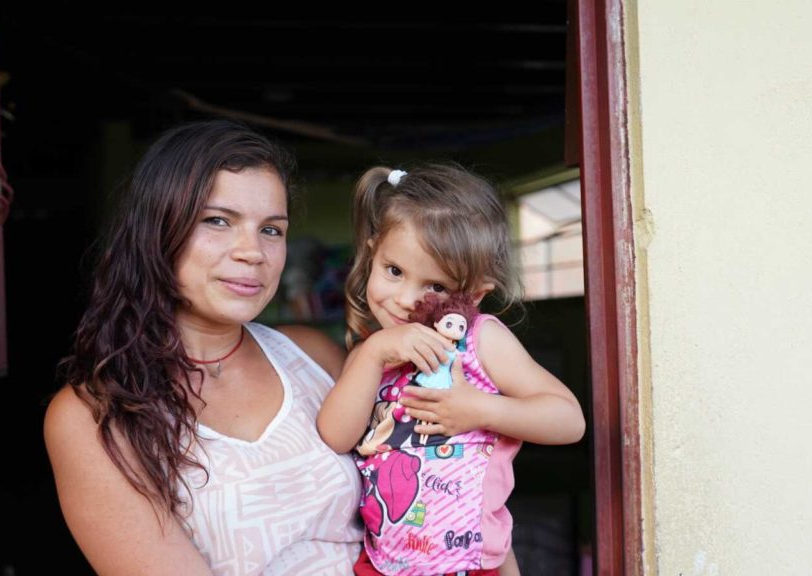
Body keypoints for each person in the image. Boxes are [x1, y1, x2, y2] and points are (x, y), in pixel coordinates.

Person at [44, 120, 362, 575]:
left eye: (271, 230)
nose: (252, 251)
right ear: (158, 231)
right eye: (217, 221)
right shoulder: (95, 416)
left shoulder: (313, 355)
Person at [316, 165, 586, 576]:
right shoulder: (370, 356)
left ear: (474, 293)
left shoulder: (479, 341)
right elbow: (336, 436)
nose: (406, 299)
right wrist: (372, 354)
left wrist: (479, 410)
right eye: (394, 271)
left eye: (436, 287)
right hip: (386, 565)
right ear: (371, 254)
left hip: (468, 563)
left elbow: (569, 420)